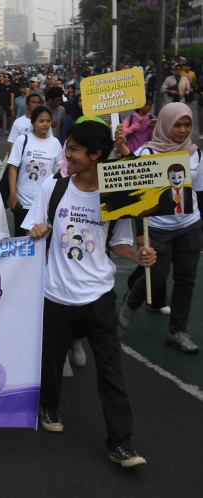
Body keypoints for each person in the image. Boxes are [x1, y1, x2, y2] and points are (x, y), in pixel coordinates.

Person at [23, 120, 156, 468]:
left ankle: (122, 443)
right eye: (67, 146)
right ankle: (49, 402)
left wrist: (138, 255)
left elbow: (120, 243)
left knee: (111, 370)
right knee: (51, 361)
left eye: (75, 150)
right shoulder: (54, 188)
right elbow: (31, 233)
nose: (67, 154)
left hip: (99, 297)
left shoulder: (117, 193)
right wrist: (36, 231)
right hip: (55, 295)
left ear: (96, 155)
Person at [118, 102, 202, 354]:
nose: (183, 130)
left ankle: (178, 331)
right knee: (155, 275)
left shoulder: (195, 153)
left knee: (186, 280)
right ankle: (131, 302)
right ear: (166, 124)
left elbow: (200, 192)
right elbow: (135, 195)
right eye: (178, 124)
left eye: (187, 125)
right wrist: (141, 234)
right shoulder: (148, 153)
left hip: (190, 225)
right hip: (158, 227)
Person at [7, 106, 62, 236]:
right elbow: (13, 167)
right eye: (41, 121)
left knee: (44, 241)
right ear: (33, 122)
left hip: (45, 202)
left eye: (48, 121)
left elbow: (58, 172)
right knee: (22, 241)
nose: (45, 124)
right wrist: (13, 193)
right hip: (23, 202)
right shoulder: (22, 140)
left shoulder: (55, 143)